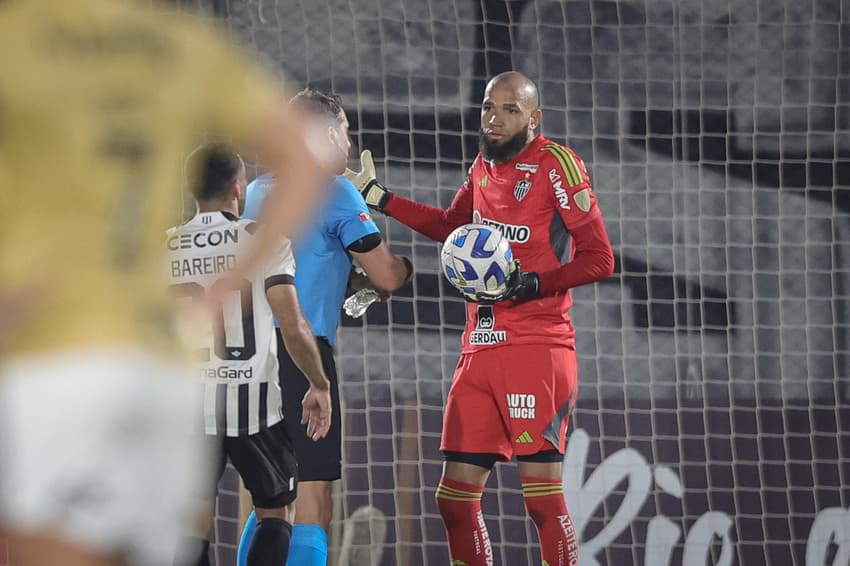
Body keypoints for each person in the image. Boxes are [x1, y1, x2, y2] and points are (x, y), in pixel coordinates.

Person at [0, 2, 334, 566]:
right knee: (275, 511)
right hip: (163, 374)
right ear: (238, 185)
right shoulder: (178, 41)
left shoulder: (20, 31)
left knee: (172, 528)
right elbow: (305, 156)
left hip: (60, 353)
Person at [344, 71, 616, 565]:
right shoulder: (483, 165)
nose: (494, 118)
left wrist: (533, 283)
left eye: (510, 110)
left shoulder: (557, 164)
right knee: (453, 500)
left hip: (537, 347)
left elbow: (601, 258)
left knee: (542, 500)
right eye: (489, 107)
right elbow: (452, 227)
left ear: (534, 119)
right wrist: (380, 199)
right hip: (480, 347)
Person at [236, 87, 414, 566]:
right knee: (313, 498)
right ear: (329, 132)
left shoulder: (257, 189)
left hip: (249, 357)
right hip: (302, 353)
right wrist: (403, 267)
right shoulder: (336, 191)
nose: (350, 147)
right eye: (347, 134)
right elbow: (386, 276)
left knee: (271, 497)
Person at [167, 142, 333, 566]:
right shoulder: (263, 239)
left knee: (191, 520)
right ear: (238, 187)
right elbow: (293, 324)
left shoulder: (166, 247)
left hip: (190, 406)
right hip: (254, 406)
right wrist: (319, 383)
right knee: (276, 511)